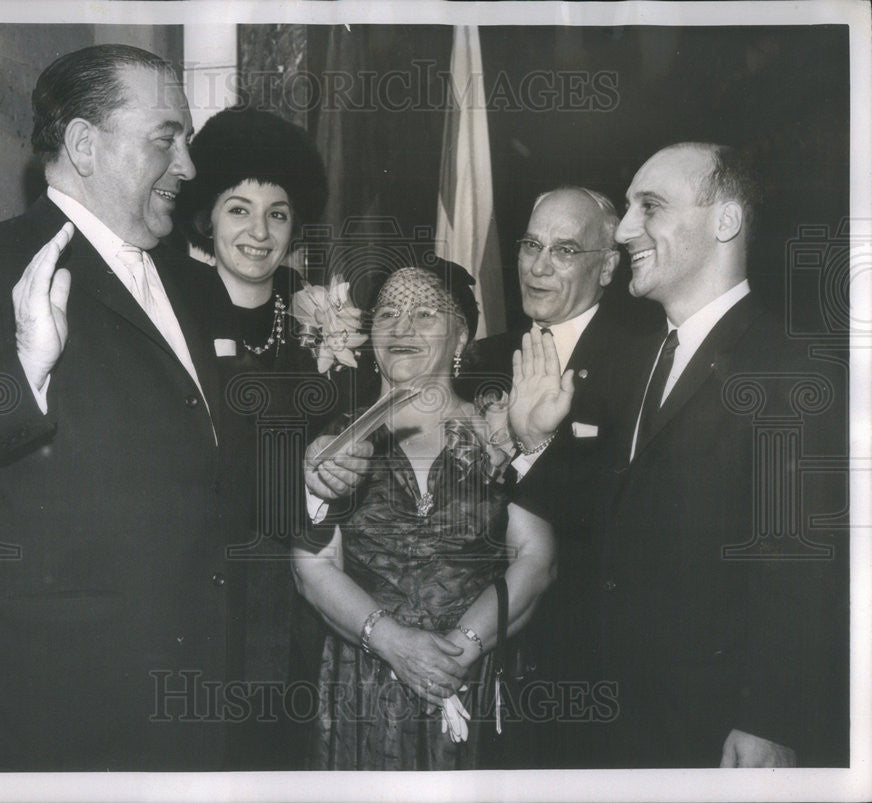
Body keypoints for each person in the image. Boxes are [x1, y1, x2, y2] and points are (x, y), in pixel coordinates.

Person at [0, 45, 247, 770]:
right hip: (64, 721)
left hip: (198, 699)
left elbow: (208, 465)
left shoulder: (196, 285)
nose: (187, 165)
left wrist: (301, 478)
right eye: (165, 138)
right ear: (86, 144)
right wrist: (25, 364)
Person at [600, 142, 848, 767]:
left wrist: (770, 718)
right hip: (629, 720)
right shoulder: (638, 360)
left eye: (649, 207)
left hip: (718, 733)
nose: (625, 229)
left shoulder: (787, 367)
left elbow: (797, 565)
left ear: (726, 222)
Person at [291, 261, 564, 770]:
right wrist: (393, 644)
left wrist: (457, 652)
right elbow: (311, 568)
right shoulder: (336, 438)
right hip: (363, 686)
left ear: (460, 336)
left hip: (473, 681)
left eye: (424, 314)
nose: (402, 328)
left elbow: (536, 559)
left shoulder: (502, 435)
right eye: (389, 314)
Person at [174, 105, 363, 769]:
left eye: (277, 212)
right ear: (206, 215)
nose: (259, 231)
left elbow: (341, 466)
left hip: (292, 603)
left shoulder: (320, 320)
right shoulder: (173, 308)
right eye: (238, 209)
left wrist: (337, 474)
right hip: (194, 594)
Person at [461, 186, 660, 766]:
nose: (538, 266)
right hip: (463, 653)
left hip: (579, 668)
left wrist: (530, 445)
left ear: (607, 267)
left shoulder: (643, 362)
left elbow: (615, 522)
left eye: (565, 250)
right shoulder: (477, 360)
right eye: (530, 244)